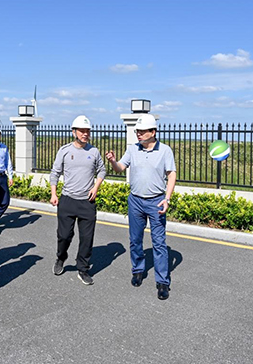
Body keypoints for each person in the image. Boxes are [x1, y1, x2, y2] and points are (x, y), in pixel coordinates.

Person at [105, 113, 176, 300]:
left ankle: (162, 282)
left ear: (153, 132)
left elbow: (171, 175)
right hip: (135, 200)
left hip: (156, 201)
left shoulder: (165, 151)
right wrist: (112, 161)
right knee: (135, 239)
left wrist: (167, 198)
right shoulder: (132, 149)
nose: (139, 134)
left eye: (142, 131)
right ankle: (137, 270)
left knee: (159, 243)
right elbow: (120, 168)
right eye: (137, 131)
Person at [50, 115, 106, 285]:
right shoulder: (64, 150)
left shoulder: (94, 151)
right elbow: (55, 173)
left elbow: (102, 170)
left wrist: (96, 187)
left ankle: (83, 269)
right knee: (64, 236)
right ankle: (61, 257)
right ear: (74, 132)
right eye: (82, 131)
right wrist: (54, 194)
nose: (85, 134)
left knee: (87, 238)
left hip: (87, 202)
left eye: (87, 131)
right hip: (67, 200)